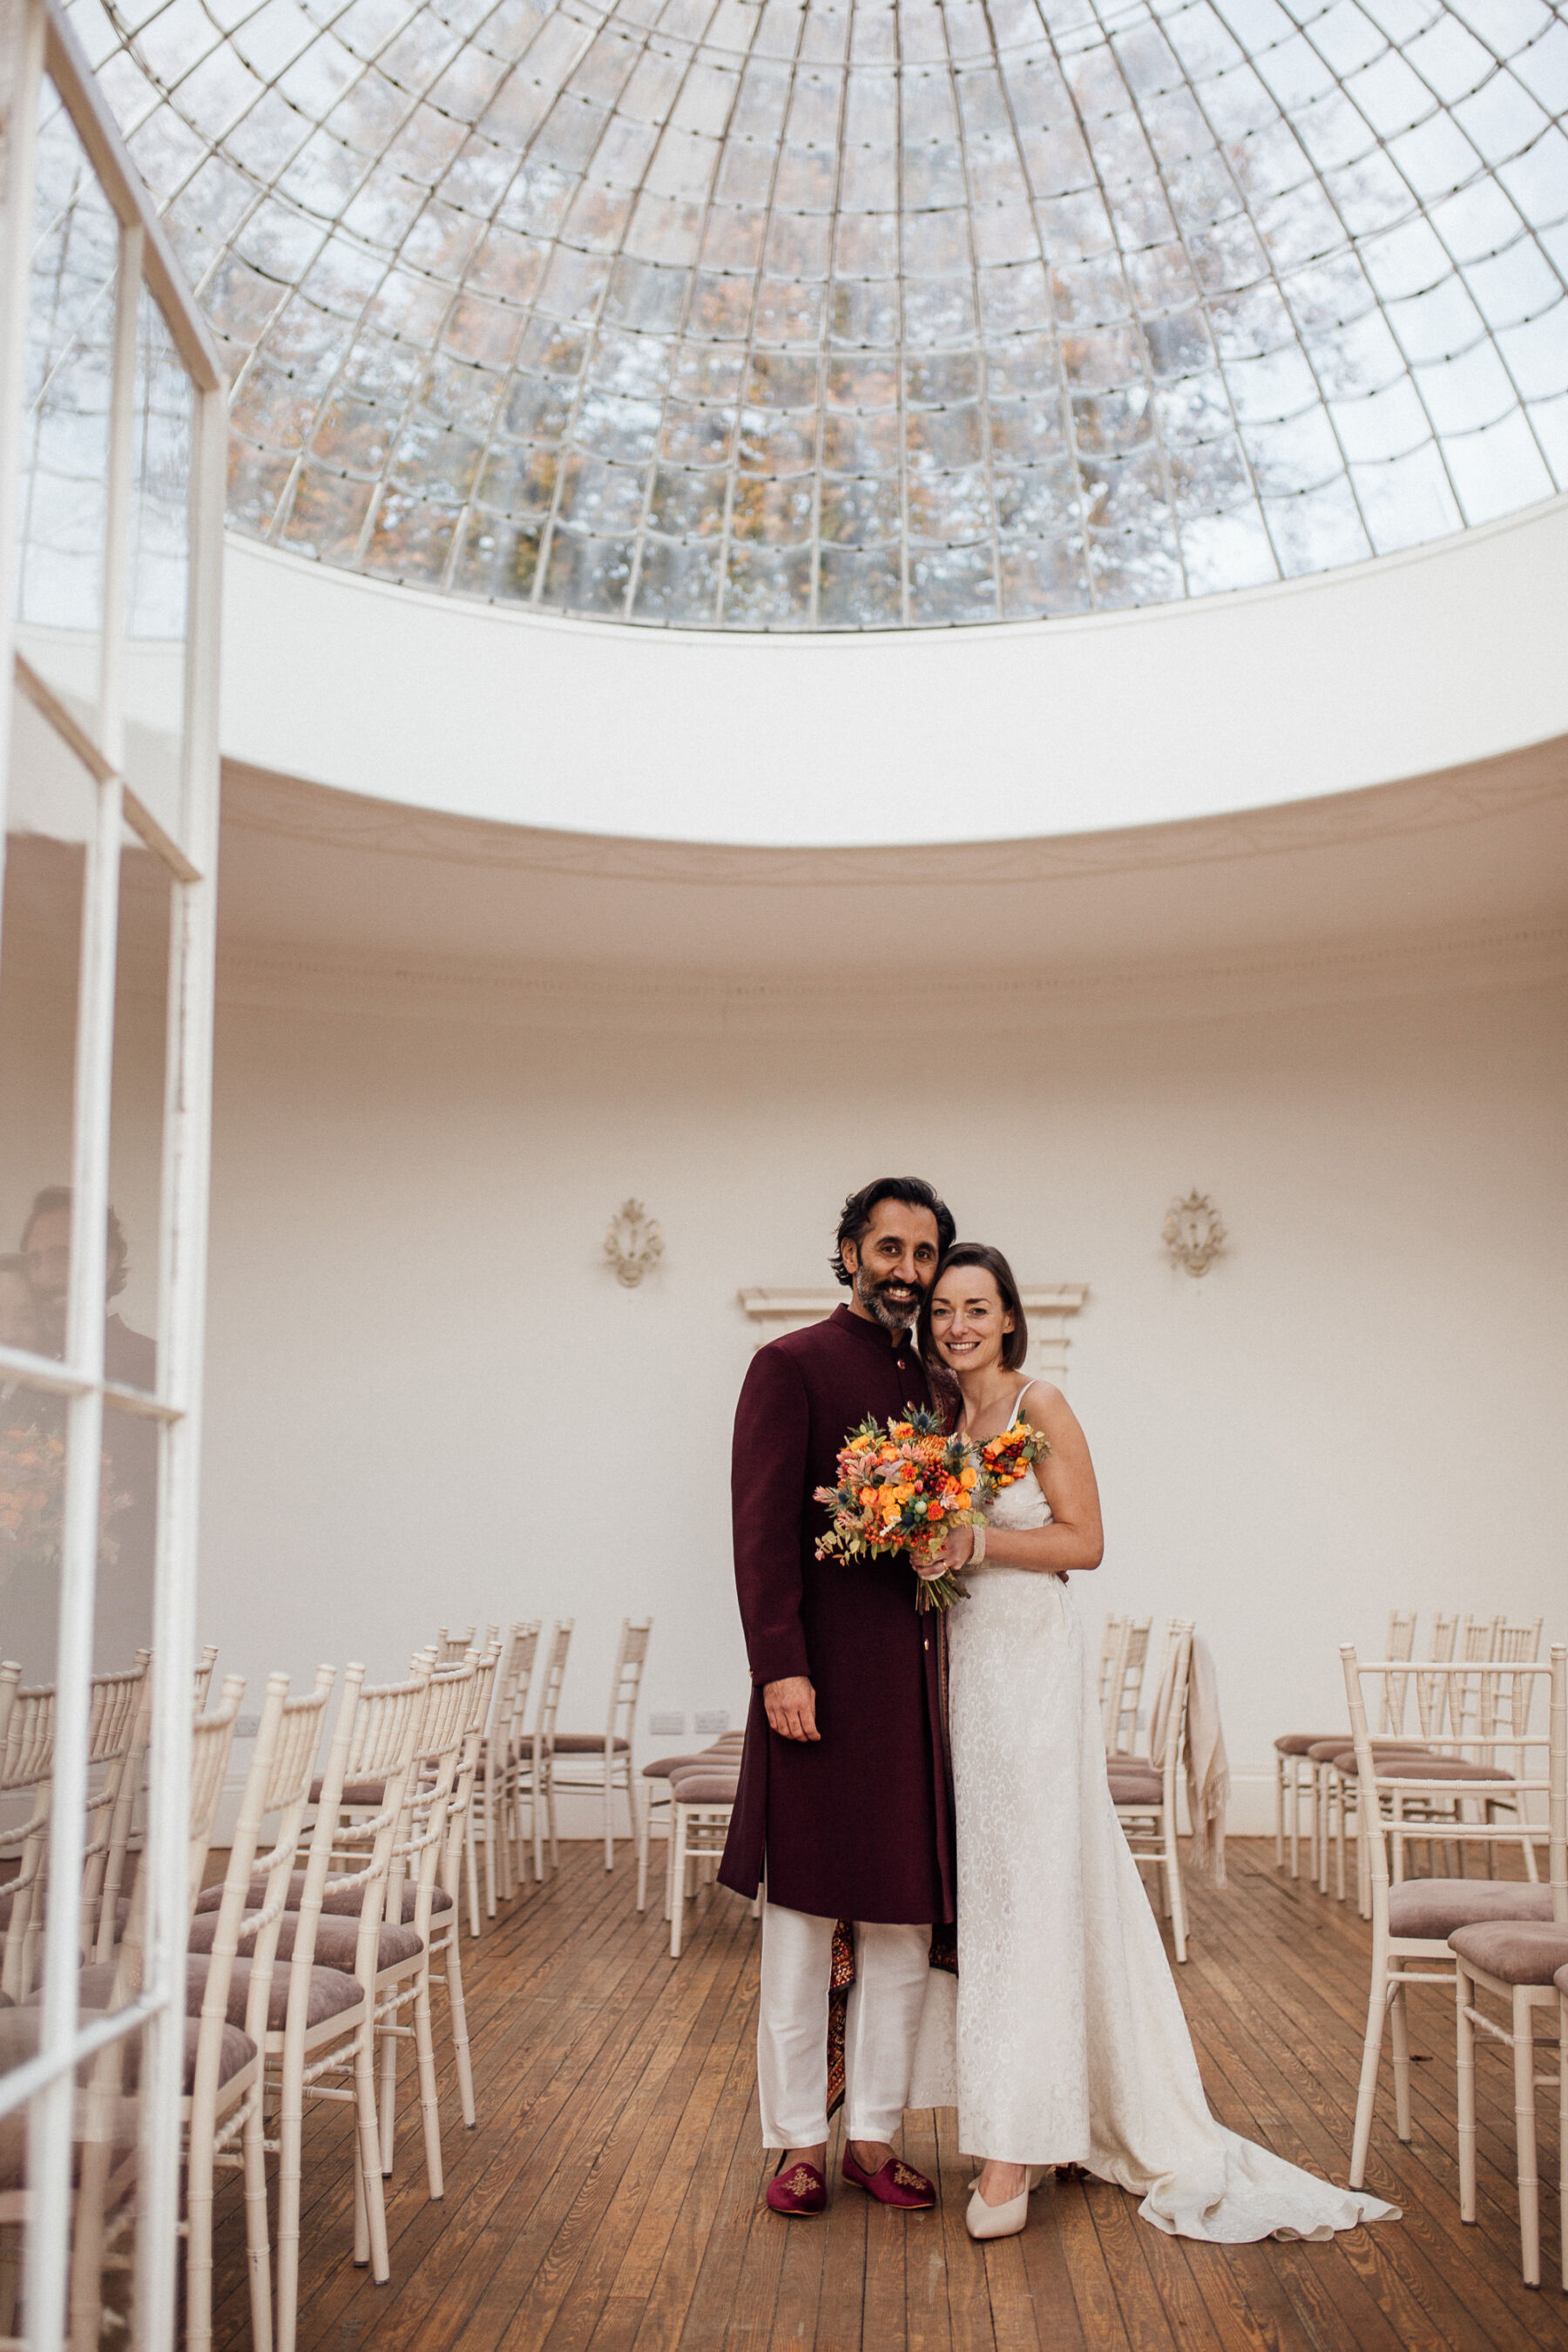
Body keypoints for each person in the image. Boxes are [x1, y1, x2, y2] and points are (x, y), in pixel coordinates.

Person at [911, 1241, 1397, 2245]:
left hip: (1031, 1667)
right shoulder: (944, 1422)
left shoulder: (1041, 1403)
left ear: (1009, 1318)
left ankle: (1017, 2144)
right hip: (964, 1668)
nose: (957, 1324)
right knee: (993, 1892)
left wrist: (982, 1542)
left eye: (977, 1307)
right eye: (944, 1309)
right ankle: (1034, 2121)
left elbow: (1085, 1544)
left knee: (1036, 1888)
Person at [719, 1177, 958, 2217]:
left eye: (924, 1254)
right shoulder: (788, 1366)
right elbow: (760, 1531)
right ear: (851, 1249)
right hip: (813, 1690)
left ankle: (874, 2136)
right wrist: (780, 1664)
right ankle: (795, 2144)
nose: (907, 1270)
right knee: (805, 1923)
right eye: (890, 1248)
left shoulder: (941, 1391)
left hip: (913, 1695)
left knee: (903, 1925)